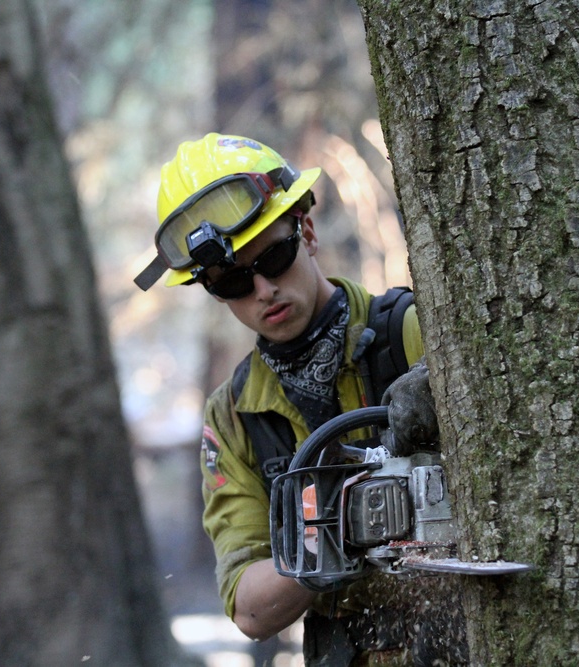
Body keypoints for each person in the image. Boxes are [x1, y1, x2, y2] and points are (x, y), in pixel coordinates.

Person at [134, 133, 460, 666]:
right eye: (234, 282)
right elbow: (249, 608)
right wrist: (338, 530)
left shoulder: (413, 333)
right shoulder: (235, 416)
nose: (263, 290)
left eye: (274, 256)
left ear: (305, 231)